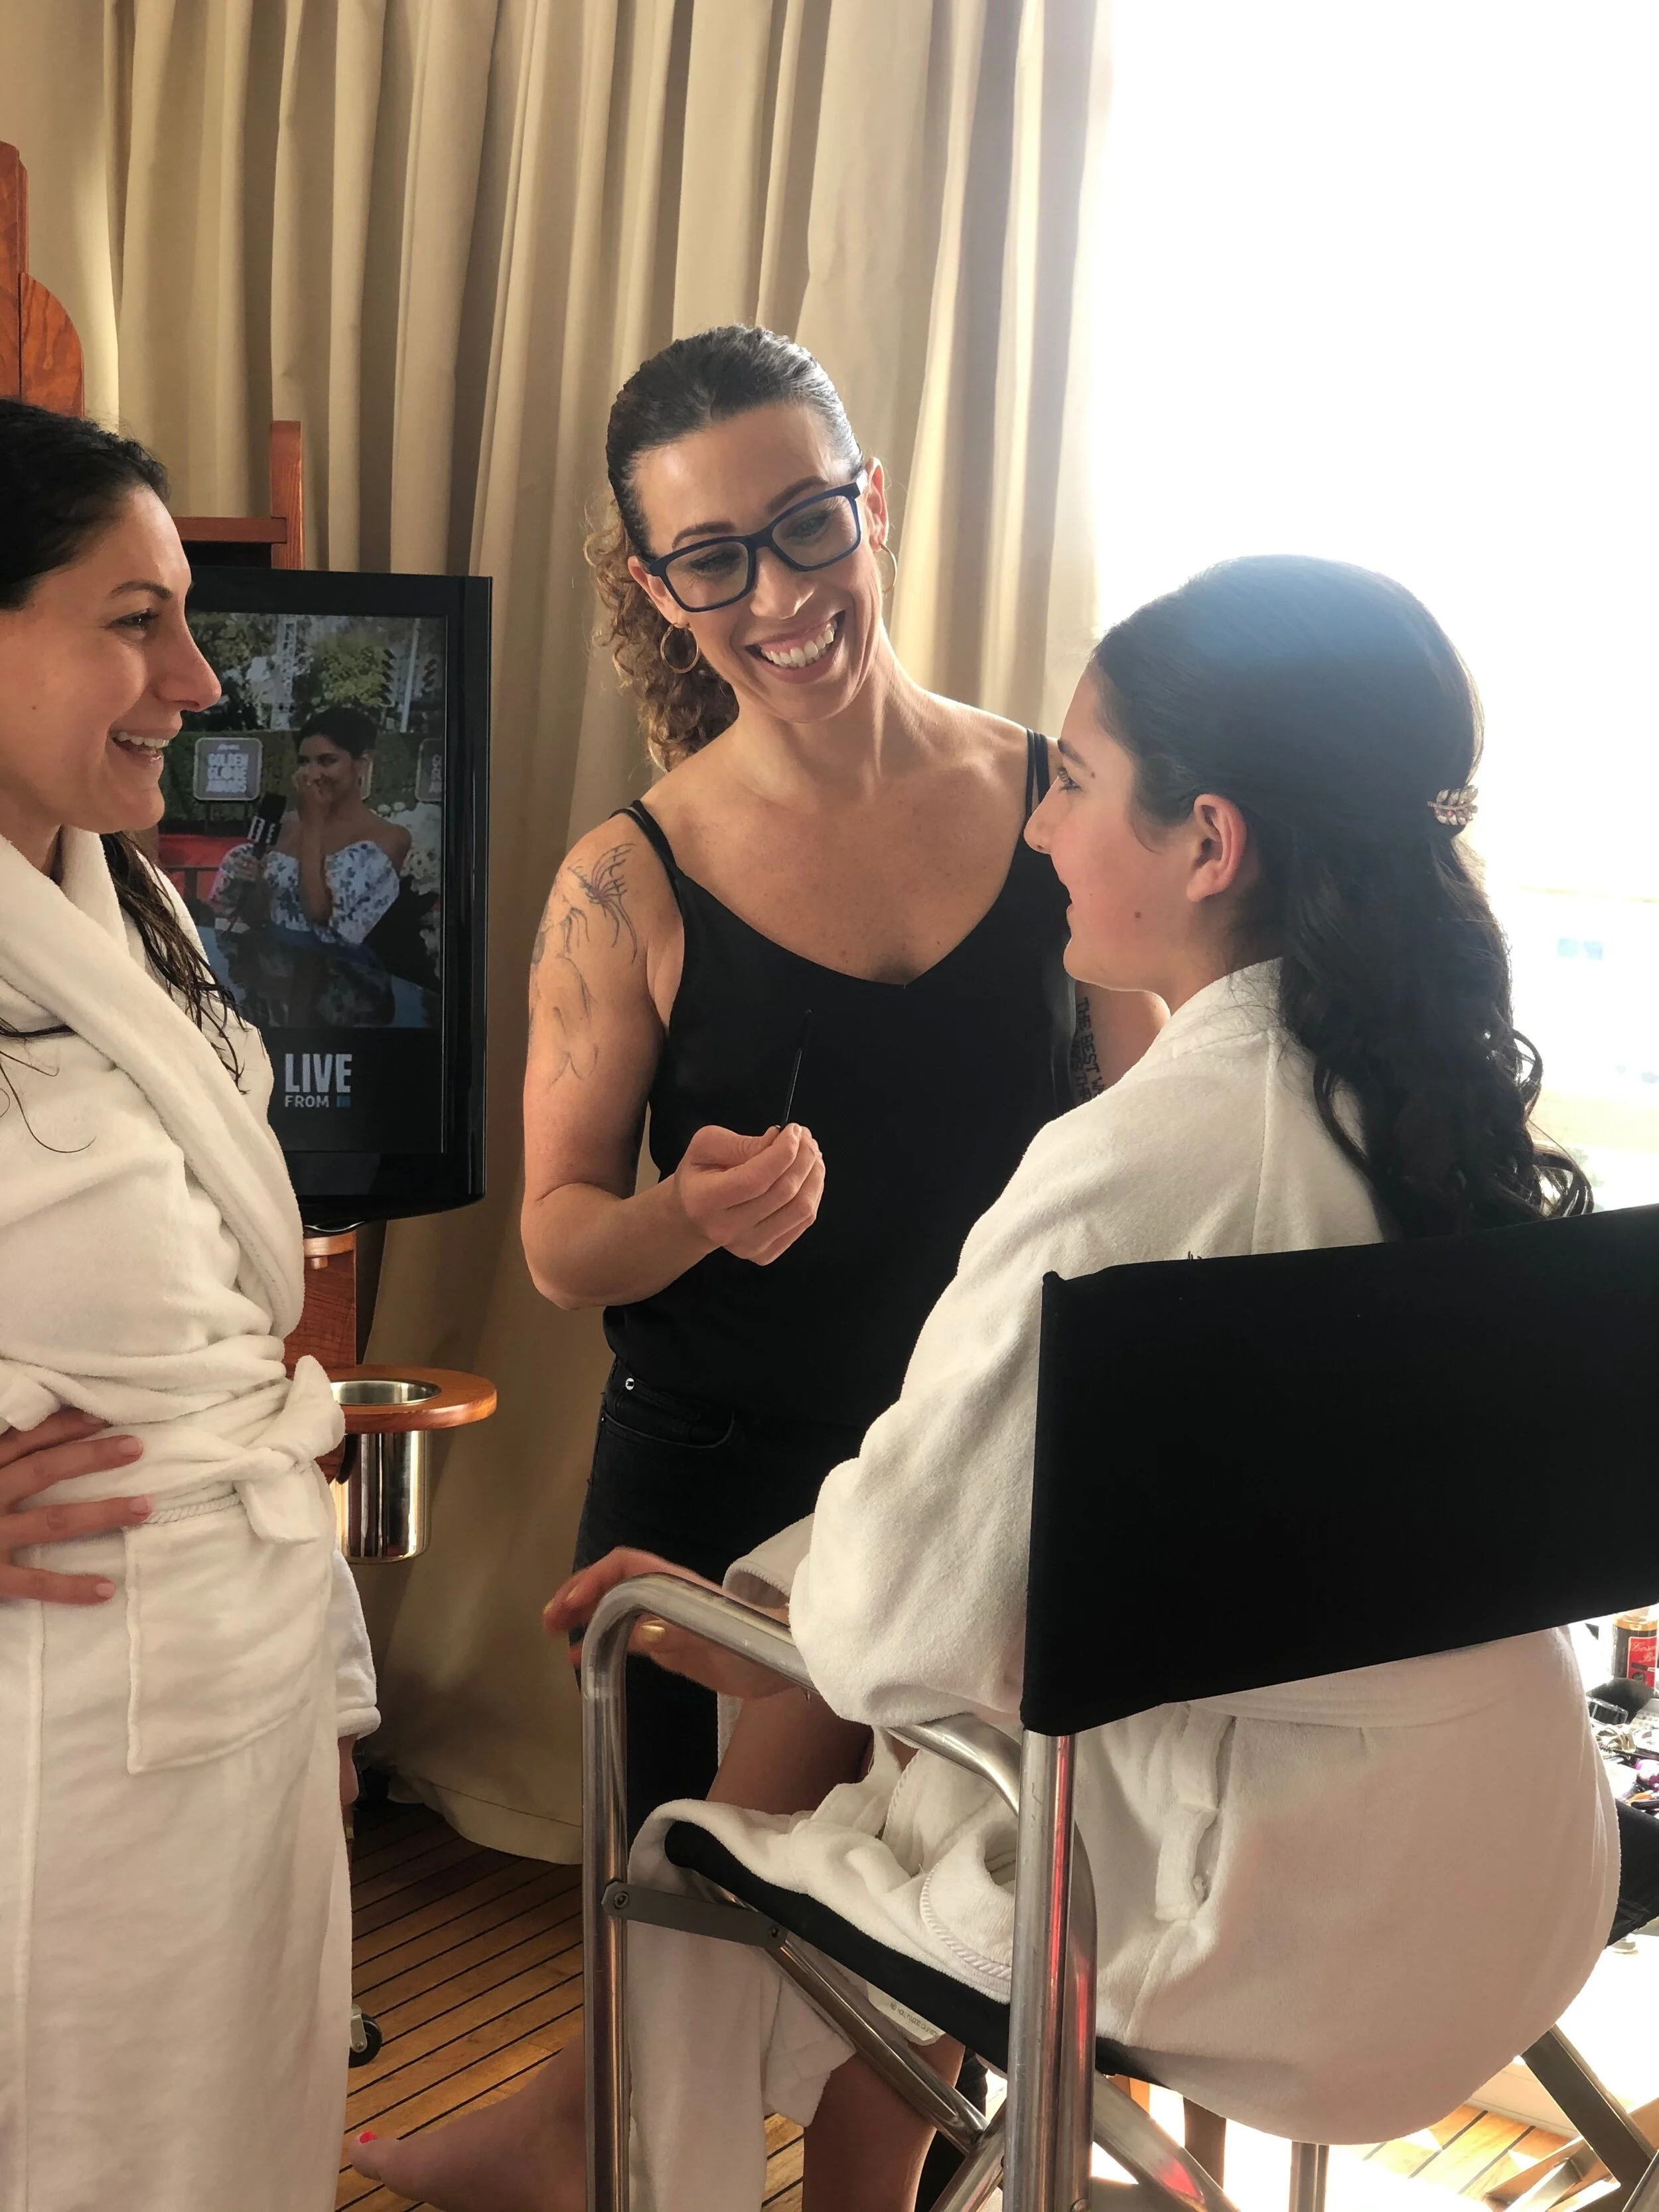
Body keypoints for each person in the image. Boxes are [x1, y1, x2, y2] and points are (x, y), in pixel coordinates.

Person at [354, 555, 1612, 2212]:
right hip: (1522, 1872)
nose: (1038, 829)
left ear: (1210, 841)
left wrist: (745, 1612)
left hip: (1264, 1926)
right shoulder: (1437, 1116)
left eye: (1074, 783)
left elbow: (894, 1621)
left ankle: (616, 2127)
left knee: (809, 1784)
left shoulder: (1133, 1168)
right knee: (929, 1720)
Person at [521, 326, 1162, 1836]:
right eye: (713, 560)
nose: (780, 596)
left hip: (981, 1487)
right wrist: (683, 1214)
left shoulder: (1058, 809)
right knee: (682, 1941)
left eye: (808, 524)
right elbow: (558, 1242)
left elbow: (1150, 1158)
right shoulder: (624, 878)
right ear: (659, 591)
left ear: (869, 501)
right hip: (705, 1499)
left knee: (953, 1961)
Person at [0, 397, 378, 2211]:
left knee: (243, 2126)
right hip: (53, 1708)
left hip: (235, 1657)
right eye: (135, 620)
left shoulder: (133, 906)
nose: (202, 682)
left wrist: (323, 1670)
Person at [210, 705, 435, 1026]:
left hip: (339, 988)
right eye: (305, 762)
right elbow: (258, 916)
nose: (312, 774)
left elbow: (319, 914)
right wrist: (256, 882)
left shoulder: (389, 837)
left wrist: (313, 825)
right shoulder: (286, 824)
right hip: (272, 981)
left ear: (362, 764)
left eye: (327, 761)